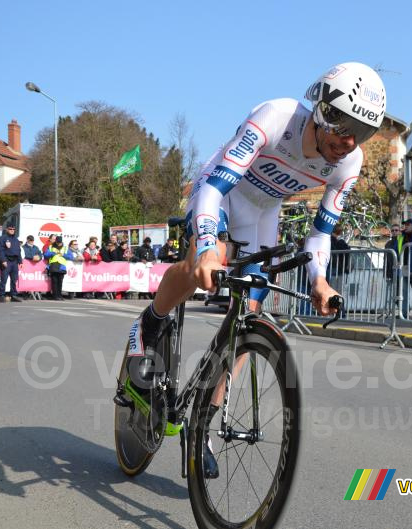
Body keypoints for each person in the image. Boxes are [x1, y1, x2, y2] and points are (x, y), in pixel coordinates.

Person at [129, 62, 387, 479]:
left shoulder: (349, 162)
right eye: (344, 125)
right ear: (322, 109)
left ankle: (202, 427)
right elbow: (215, 187)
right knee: (203, 264)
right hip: (222, 192)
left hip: (263, 213)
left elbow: (322, 232)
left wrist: (319, 281)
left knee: (247, 318)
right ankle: (151, 321)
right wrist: (210, 249)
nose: (350, 141)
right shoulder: (276, 116)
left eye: (363, 132)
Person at [386, 219, 412, 319]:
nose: (406, 226)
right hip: (403, 268)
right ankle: (403, 314)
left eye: (408, 224)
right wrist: (397, 262)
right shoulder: (401, 237)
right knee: (402, 292)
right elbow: (395, 251)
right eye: (405, 224)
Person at [0, 224, 23, 303]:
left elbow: (18, 251)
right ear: (7, 229)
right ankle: (1, 295)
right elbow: (0, 250)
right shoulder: (2, 238)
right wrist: (3, 260)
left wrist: (20, 261)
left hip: (14, 262)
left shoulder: (16, 239)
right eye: (10, 229)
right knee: (4, 279)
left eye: (13, 229)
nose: (12, 230)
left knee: (14, 280)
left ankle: (13, 295)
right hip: (6, 260)